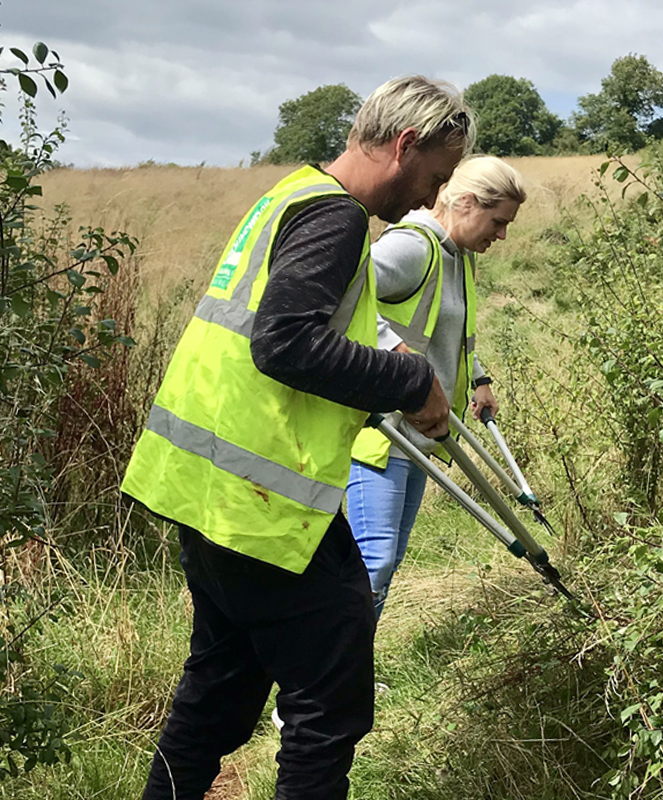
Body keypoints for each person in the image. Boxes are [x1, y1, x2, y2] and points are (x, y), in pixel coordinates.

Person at [120, 75, 474, 800]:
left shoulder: (289, 195)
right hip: (262, 509)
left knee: (215, 697)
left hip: (209, 492)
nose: (425, 200)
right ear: (404, 145)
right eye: (433, 178)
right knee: (329, 704)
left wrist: (381, 373)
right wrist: (410, 384)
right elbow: (284, 344)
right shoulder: (336, 217)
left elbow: (287, 339)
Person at [347, 155, 527, 618]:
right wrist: (399, 360)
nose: (502, 235)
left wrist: (479, 376)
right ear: (466, 202)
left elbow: (449, 331)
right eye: (498, 221)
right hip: (379, 433)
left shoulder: (459, 255)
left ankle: (351, 671)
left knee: (388, 562)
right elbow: (344, 296)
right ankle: (333, 678)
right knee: (374, 560)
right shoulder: (413, 247)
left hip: (418, 433)